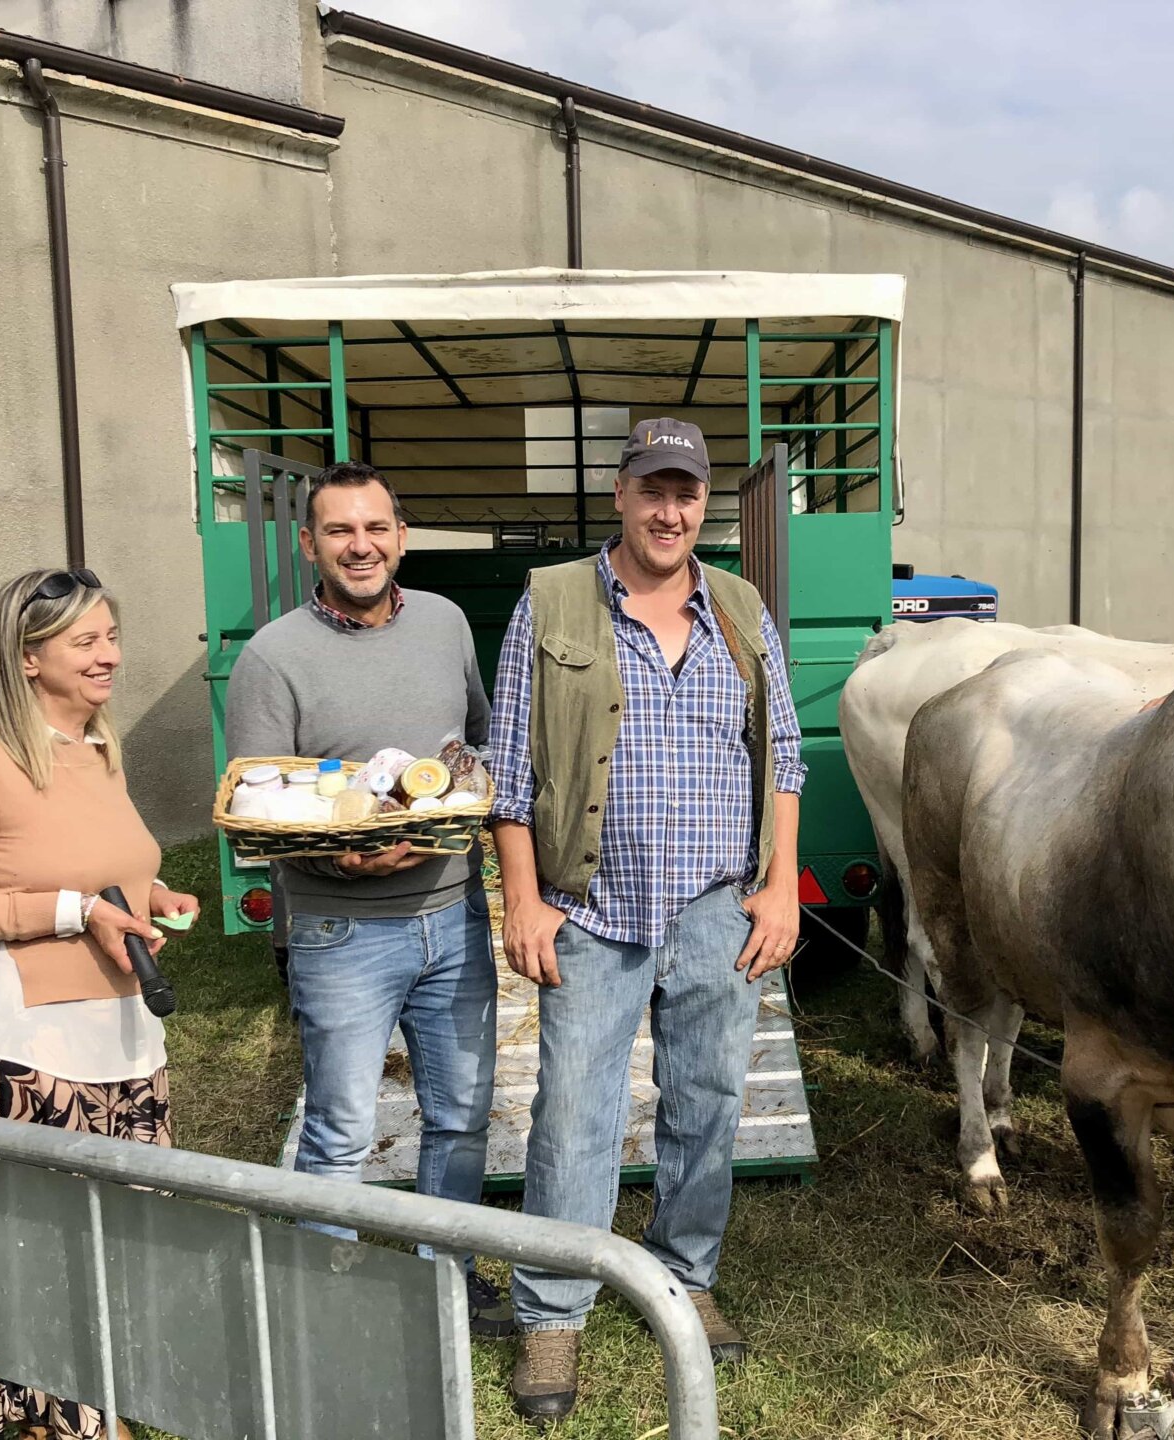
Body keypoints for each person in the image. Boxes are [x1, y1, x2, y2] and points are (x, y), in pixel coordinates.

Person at [487, 418, 806, 1421]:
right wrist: (525, 897)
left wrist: (780, 883)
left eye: (687, 492)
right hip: (592, 906)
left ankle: (684, 1277)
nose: (671, 510)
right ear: (621, 495)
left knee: (707, 1101)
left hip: (718, 908)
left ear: (702, 502)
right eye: (653, 489)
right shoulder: (551, 603)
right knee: (574, 1113)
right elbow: (507, 771)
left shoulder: (743, 610)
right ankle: (552, 1312)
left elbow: (783, 759)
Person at [0, 568, 200, 1440]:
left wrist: (154, 899)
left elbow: (100, 869)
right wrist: (70, 910)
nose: (109, 654)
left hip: (125, 1037)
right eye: (85, 642)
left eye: (110, 635)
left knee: (127, 1248)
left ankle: (107, 1415)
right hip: (30, 1048)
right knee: (45, 1258)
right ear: (28, 659)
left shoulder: (97, 749)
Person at [223, 461, 511, 1336]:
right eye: (340, 531)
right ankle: (329, 1304)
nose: (362, 545)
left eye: (377, 527)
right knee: (341, 1131)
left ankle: (444, 1277)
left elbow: (477, 749)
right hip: (341, 929)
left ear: (402, 535)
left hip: (454, 914)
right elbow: (254, 809)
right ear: (310, 544)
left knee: (459, 1119)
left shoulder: (446, 622)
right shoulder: (273, 656)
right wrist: (344, 858)